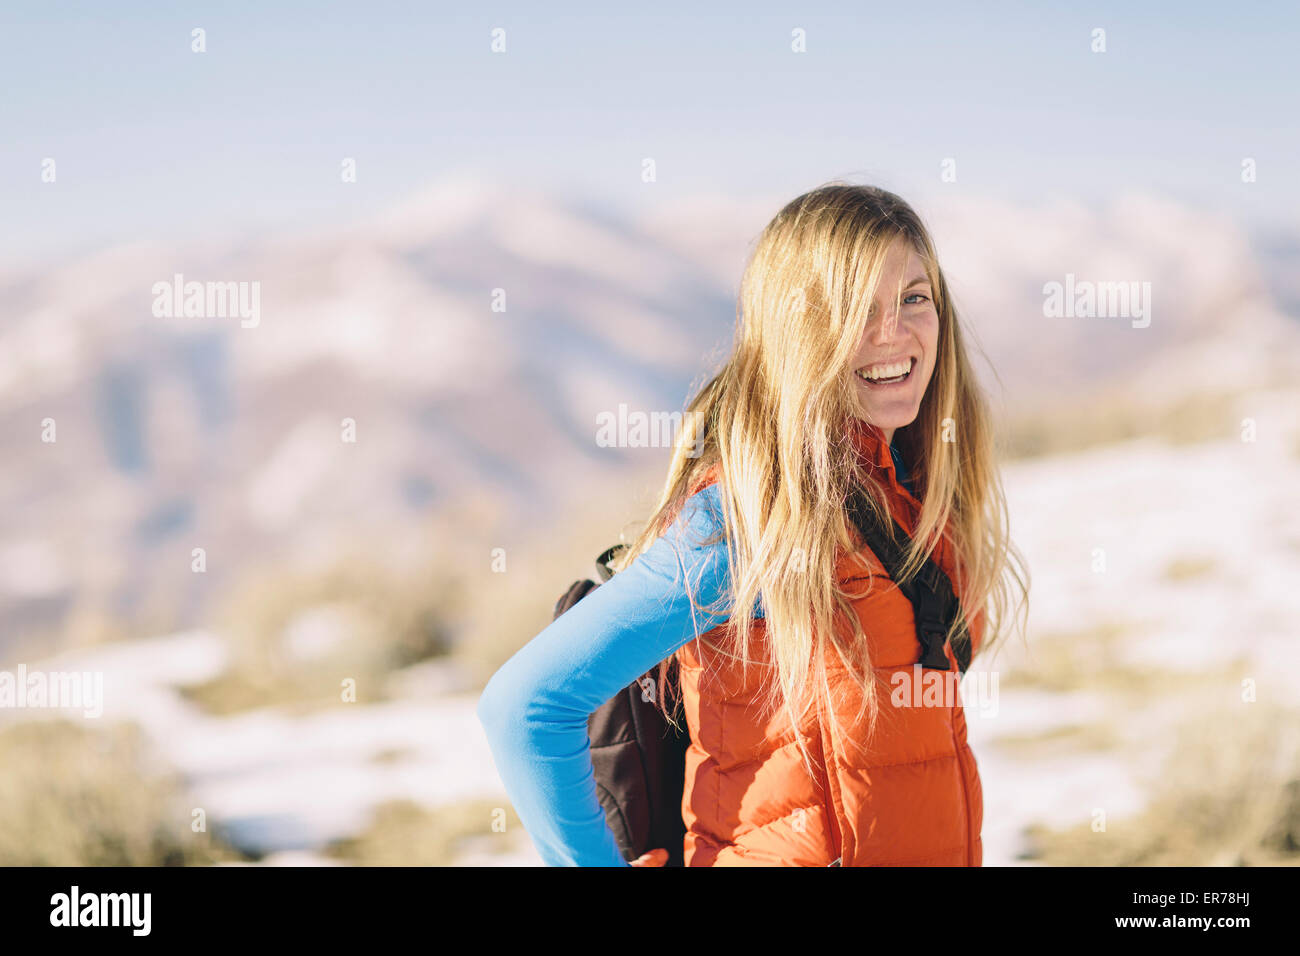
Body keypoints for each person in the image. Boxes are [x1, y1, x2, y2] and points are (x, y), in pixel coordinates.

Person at [477, 182, 1029, 866]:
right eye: (855, 309)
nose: (894, 332)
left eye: (914, 298)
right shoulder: (748, 522)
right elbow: (524, 709)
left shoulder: (912, 490)